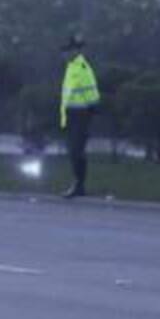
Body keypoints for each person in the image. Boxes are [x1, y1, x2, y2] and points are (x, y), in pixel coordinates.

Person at [59, 34, 100, 199]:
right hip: (71, 114)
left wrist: (91, 110)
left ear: (76, 51)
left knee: (76, 151)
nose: (65, 54)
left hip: (81, 114)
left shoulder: (82, 68)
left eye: (68, 50)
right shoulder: (71, 67)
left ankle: (79, 185)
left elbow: (91, 92)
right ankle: (78, 184)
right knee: (73, 151)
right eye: (65, 51)